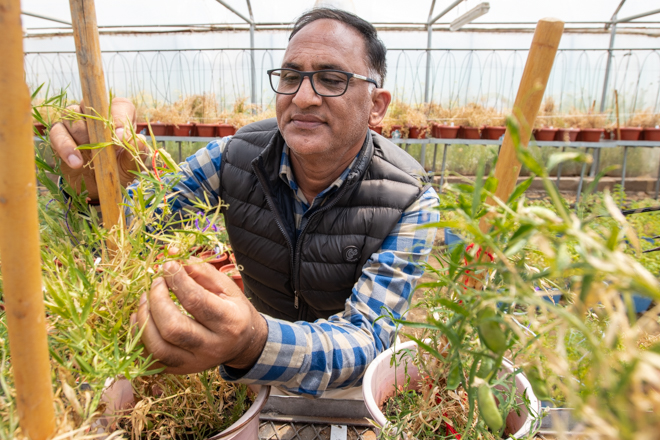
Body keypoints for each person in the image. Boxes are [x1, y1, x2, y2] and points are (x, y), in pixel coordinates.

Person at [50, 8, 439, 397]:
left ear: (376, 105)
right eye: (290, 77)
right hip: (251, 369)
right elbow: (135, 230)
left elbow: (368, 336)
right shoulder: (234, 156)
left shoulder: (409, 199)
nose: (303, 98)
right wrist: (98, 190)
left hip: (351, 382)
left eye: (331, 80)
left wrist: (256, 341)